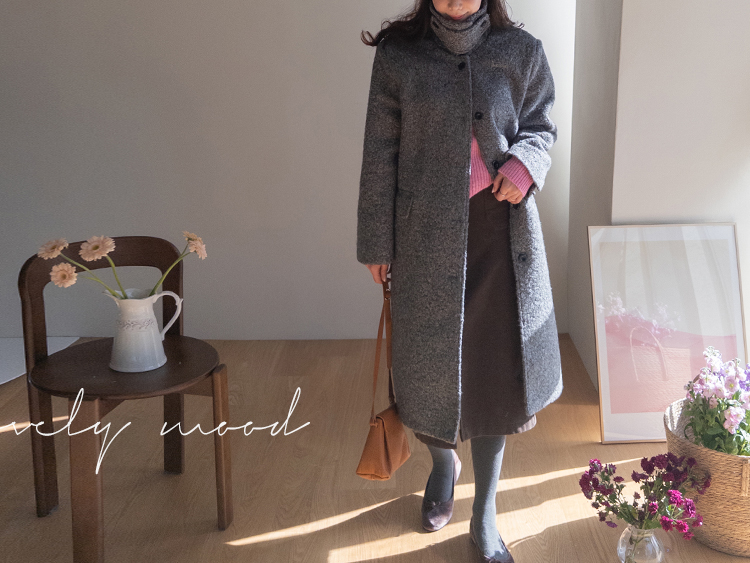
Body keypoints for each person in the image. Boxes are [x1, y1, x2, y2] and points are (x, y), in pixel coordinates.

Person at [356, 0, 562, 561]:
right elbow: (380, 152)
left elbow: (541, 126)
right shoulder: (399, 57)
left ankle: (484, 512)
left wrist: (525, 165)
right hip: (424, 238)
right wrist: (376, 241)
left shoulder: (522, 52)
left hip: (502, 235)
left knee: (493, 377)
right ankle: (442, 464)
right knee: (428, 370)